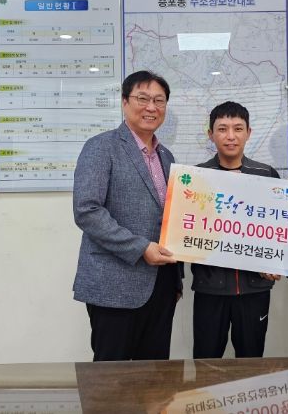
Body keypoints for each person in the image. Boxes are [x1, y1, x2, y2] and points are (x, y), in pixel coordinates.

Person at [72, 70, 181, 361]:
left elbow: (170, 218)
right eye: (142, 99)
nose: (151, 107)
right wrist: (141, 248)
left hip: (161, 285)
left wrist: (176, 280)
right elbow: (87, 211)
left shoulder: (167, 156)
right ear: (124, 102)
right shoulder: (101, 147)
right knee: (111, 376)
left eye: (159, 100)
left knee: (155, 375)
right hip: (114, 284)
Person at [192, 101, 281, 359]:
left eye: (238, 129)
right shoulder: (197, 176)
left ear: (248, 133)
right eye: (222, 129)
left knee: (251, 361)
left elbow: (279, 231)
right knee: (206, 362)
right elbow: (184, 231)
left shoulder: (266, 175)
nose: (230, 136)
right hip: (210, 288)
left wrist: (277, 264)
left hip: (255, 288)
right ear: (211, 134)